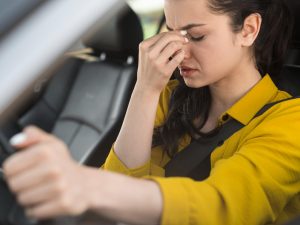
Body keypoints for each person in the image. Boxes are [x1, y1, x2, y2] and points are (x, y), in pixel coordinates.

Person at [2, 0, 300, 224]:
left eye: (196, 37)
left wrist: (84, 183)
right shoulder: (170, 97)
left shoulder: (290, 120)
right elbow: (123, 191)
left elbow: (220, 207)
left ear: (248, 30)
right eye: (172, 34)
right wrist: (145, 89)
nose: (180, 51)